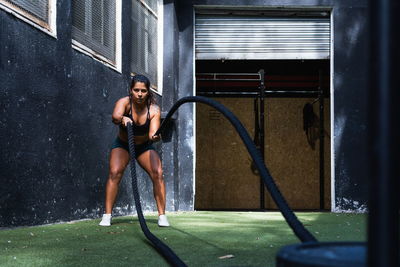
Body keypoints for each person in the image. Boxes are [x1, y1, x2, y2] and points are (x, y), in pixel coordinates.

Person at [99, 75, 169, 227]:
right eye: (136, 90)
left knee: (158, 173)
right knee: (115, 172)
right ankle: (107, 215)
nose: (139, 94)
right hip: (123, 144)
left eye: (143, 91)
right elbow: (115, 116)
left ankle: (162, 216)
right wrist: (123, 118)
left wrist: (156, 137)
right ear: (131, 90)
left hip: (143, 147)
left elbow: (152, 133)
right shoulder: (124, 102)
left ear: (148, 92)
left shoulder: (154, 110)